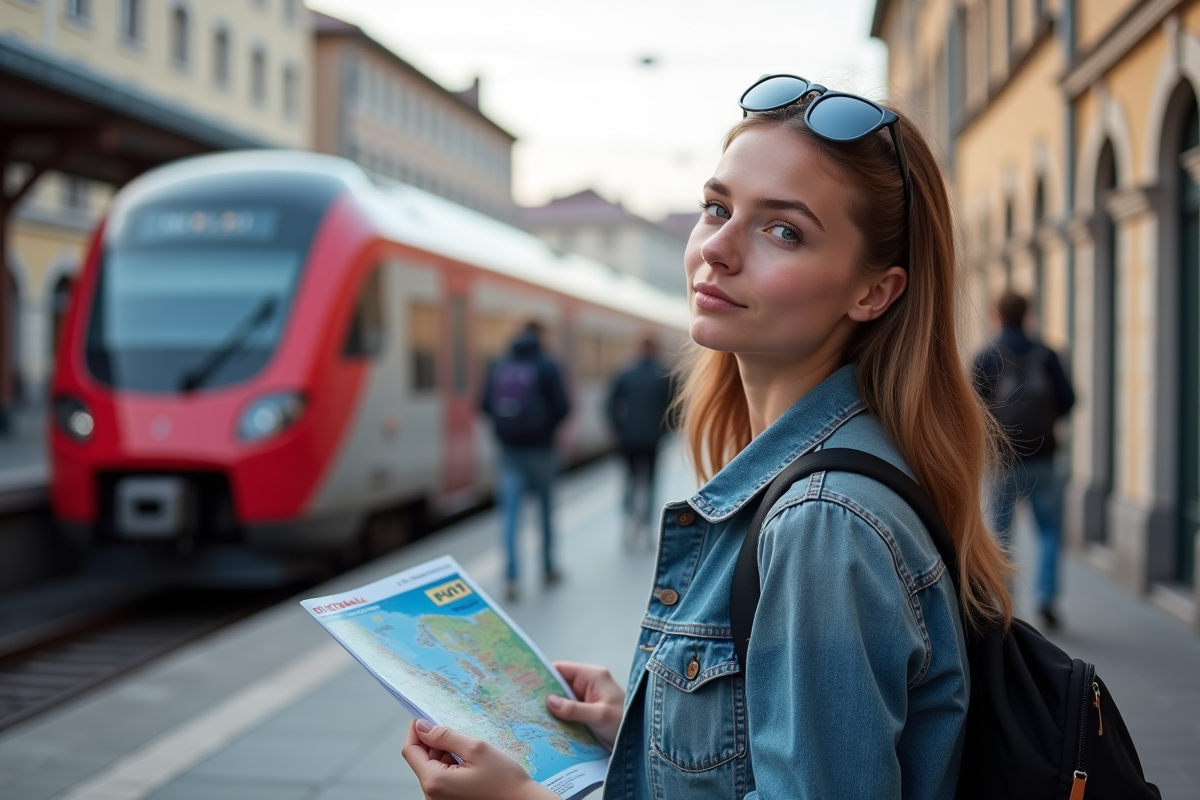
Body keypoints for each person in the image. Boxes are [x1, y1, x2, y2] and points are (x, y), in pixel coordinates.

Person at [403, 74, 1014, 799]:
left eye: (782, 229)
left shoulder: (824, 524)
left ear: (873, 291)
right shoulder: (837, 477)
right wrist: (646, 723)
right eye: (717, 207)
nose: (717, 248)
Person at [973, 292, 1076, 631]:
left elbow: (973, 408)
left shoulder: (987, 356)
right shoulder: (1046, 354)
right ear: (1027, 315)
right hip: (1044, 459)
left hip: (1003, 462)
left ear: (996, 316)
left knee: (1001, 537)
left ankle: (1006, 607)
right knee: (1049, 532)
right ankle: (1046, 599)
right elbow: (1068, 400)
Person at [479, 321, 571, 602]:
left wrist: (504, 431)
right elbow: (563, 407)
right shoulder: (547, 364)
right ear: (540, 335)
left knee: (510, 515)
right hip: (541, 450)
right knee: (544, 510)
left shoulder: (499, 363)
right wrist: (545, 430)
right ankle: (547, 569)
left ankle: (510, 577)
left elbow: (483, 405)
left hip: (509, 451)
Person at [606, 337, 674, 547]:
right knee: (651, 483)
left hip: (629, 439)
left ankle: (628, 523)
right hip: (652, 439)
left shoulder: (625, 373)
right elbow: (673, 408)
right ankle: (646, 527)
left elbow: (610, 406)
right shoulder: (663, 374)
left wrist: (619, 430)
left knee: (629, 480)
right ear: (654, 349)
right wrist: (664, 433)